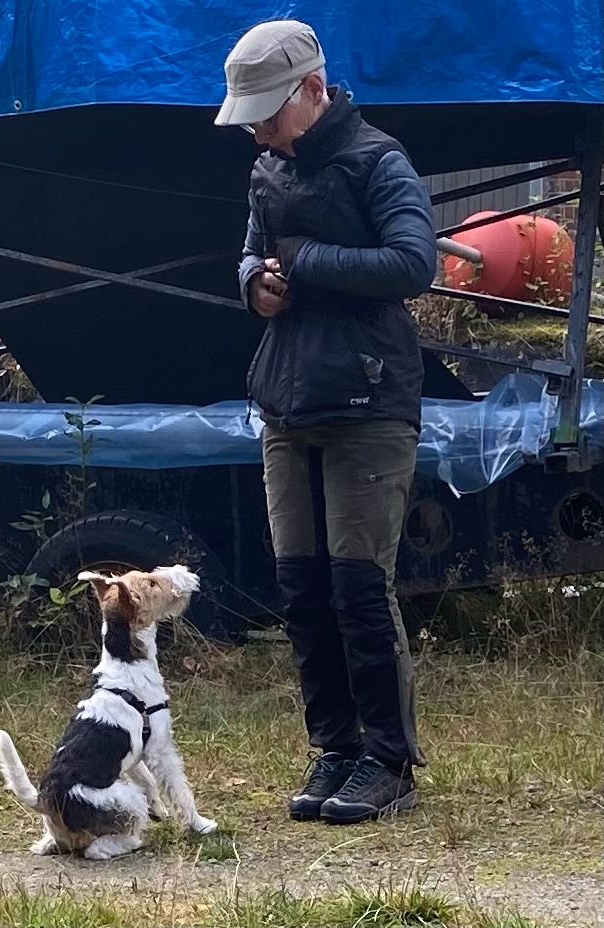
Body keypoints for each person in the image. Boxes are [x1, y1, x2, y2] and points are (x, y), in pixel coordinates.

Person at [215, 20, 437, 825]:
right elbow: (251, 251)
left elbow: (415, 263)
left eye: (267, 114)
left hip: (369, 403)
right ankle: (335, 749)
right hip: (286, 398)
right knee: (303, 589)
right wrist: (255, 285)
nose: (256, 131)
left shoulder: (379, 160)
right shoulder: (267, 167)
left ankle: (389, 761)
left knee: (358, 587)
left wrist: (307, 262)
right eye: (248, 118)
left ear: (314, 87)